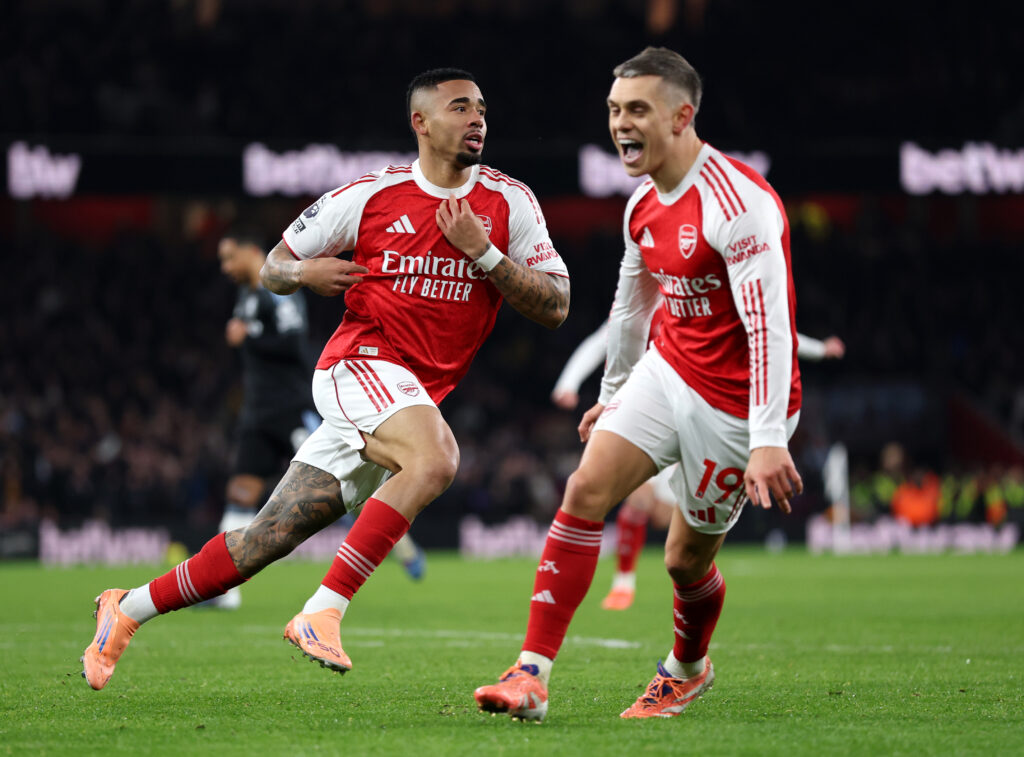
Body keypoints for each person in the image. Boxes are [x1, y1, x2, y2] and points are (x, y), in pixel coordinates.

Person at [81, 68, 570, 691]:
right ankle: (323, 609)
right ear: (420, 122)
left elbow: (555, 305)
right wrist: (307, 273)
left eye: (481, 108)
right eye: (459, 108)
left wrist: (485, 253)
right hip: (358, 365)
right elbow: (274, 267)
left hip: (411, 395)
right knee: (438, 458)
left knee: (266, 538)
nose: (477, 119)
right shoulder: (369, 195)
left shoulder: (510, 204)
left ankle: (126, 608)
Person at [474, 47, 802, 722]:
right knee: (586, 488)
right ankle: (531, 673)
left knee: (683, 559)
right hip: (670, 368)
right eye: (615, 110)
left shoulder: (740, 206)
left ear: (683, 116)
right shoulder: (642, 205)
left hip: (737, 409)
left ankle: (686, 667)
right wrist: (614, 392)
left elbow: (771, 328)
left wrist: (768, 438)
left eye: (637, 110)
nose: (621, 124)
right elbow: (630, 308)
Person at [551, 319, 842, 611]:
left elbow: (771, 326)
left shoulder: (701, 302)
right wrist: (568, 383)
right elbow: (599, 342)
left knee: (673, 531)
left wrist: (819, 350)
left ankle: (694, 614)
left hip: (701, 419)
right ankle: (623, 585)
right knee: (637, 503)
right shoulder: (644, 302)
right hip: (651, 415)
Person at [215, 232, 428, 605]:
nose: (226, 267)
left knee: (339, 488)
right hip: (258, 414)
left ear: (253, 251)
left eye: (231, 258)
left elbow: (293, 344)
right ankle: (224, 591)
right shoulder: (246, 296)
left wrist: (251, 334)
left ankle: (401, 544)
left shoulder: (275, 294)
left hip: (291, 409)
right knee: (241, 491)